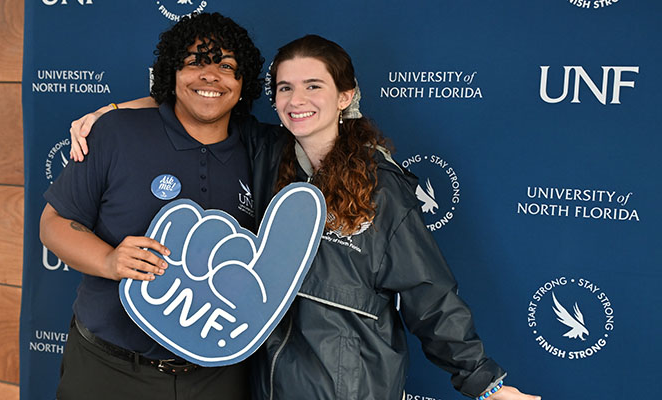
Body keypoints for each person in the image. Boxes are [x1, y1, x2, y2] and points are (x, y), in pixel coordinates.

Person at [70, 35, 540, 400]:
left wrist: (487, 385)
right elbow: (201, 100)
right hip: (265, 384)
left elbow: (430, 297)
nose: (297, 99)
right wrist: (111, 112)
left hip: (346, 388)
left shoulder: (382, 188)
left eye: (314, 86)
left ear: (344, 96)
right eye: (285, 88)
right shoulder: (265, 154)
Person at [39, 12, 264, 400]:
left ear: (243, 84)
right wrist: (110, 261)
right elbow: (54, 222)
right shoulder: (116, 134)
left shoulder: (262, 150)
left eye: (226, 66)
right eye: (195, 61)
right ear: (170, 74)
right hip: (108, 368)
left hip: (218, 378)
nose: (210, 76)